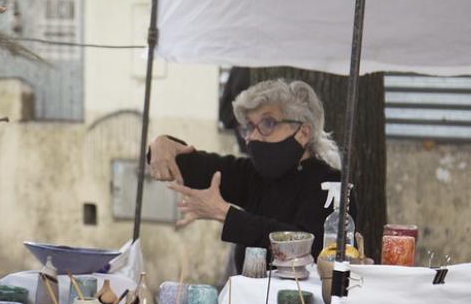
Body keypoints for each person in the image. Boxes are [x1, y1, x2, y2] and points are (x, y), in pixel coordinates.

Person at [148, 79, 357, 271]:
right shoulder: (254, 175)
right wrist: (162, 145)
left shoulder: (332, 186)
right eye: (249, 127)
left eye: (268, 123)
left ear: (303, 133)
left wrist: (226, 215)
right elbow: (194, 165)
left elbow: (310, 248)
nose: (253, 137)